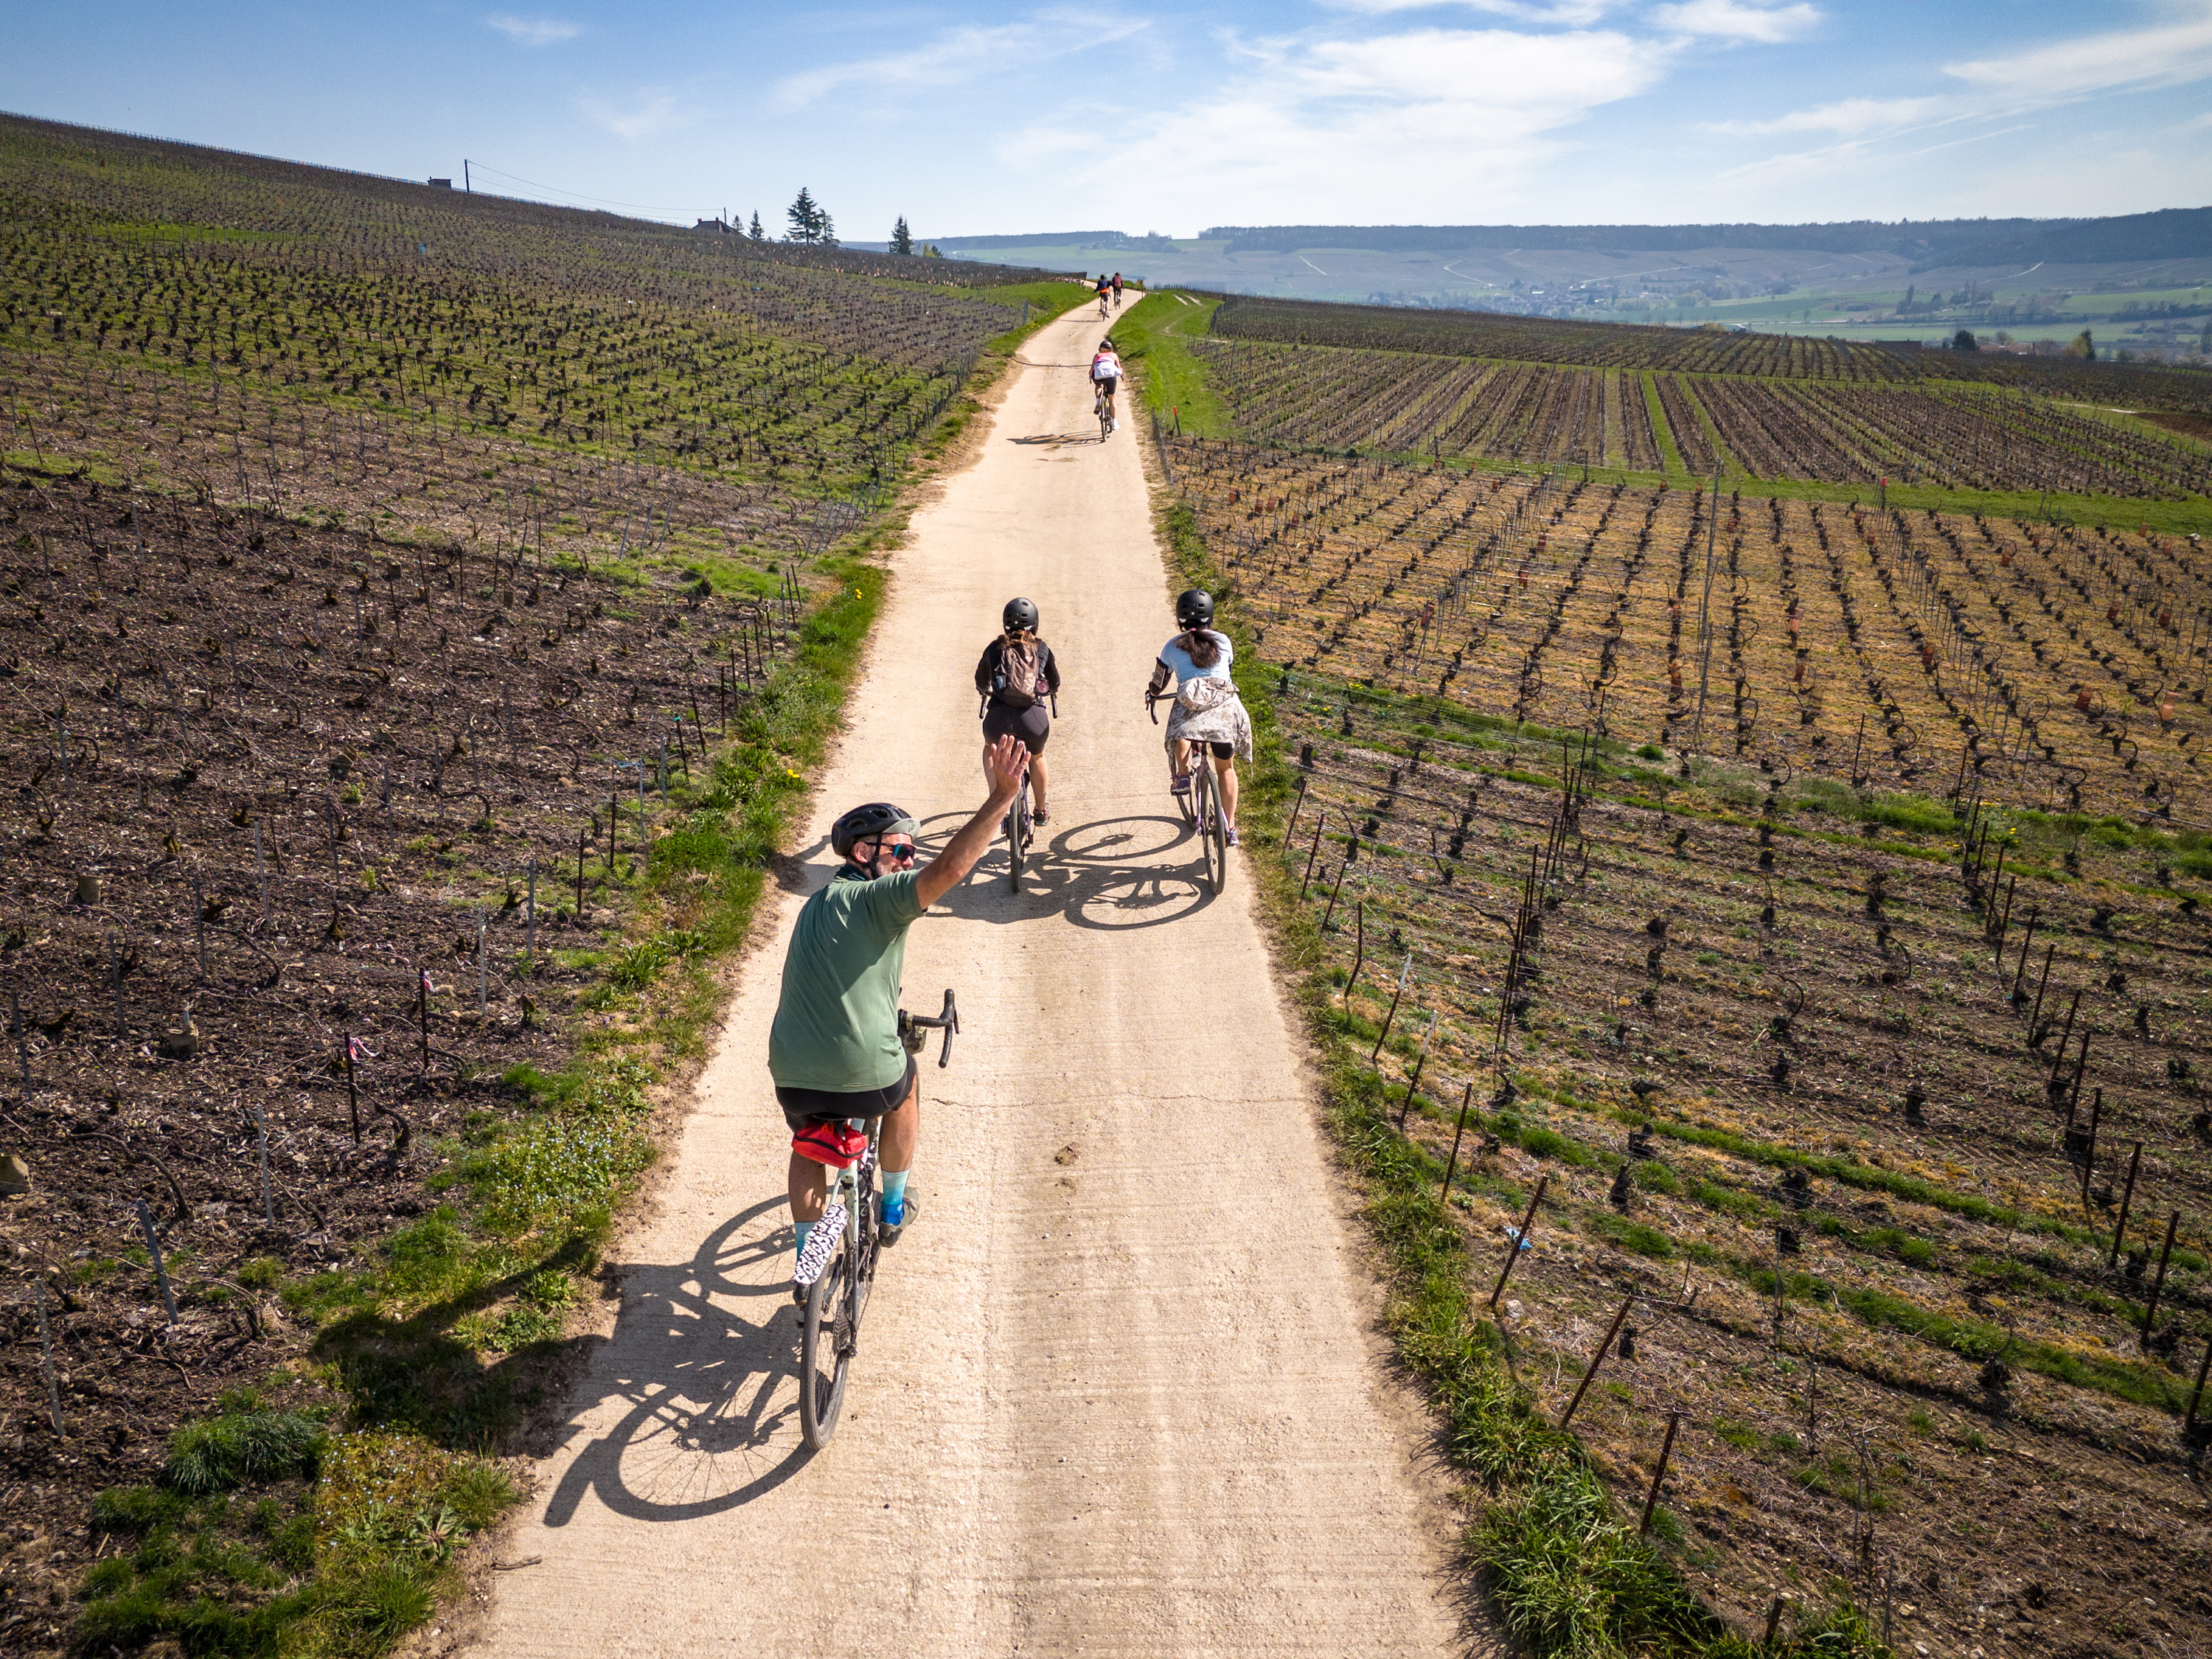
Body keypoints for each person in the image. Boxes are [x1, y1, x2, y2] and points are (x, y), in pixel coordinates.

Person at [768, 740, 1029, 1301]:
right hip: (865, 1074)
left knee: (809, 1142)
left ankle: (807, 1264)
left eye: (912, 852)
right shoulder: (878, 900)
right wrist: (1001, 799)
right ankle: (891, 1208)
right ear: (863, 852)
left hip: (790, 1070)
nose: (909, 859)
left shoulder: (819, 903)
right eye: (900, 850)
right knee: (906, 1086)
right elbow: (953, 867)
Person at [1146, 588, 1251, 846]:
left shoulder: (1172, 646)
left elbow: (1160, 680)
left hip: (1192, 700)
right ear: (1210, 617)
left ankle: (1182, 775)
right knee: (1226, 768)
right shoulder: (1224, 641)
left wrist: (1152, 693)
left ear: (1180, 618)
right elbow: (1227, 670)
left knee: (1182, 728)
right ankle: (1230, 824)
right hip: (1224, 707)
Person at [975, 597, 1061, 824]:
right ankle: (1041, 811)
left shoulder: (994, 649)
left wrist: (984, 689)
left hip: (998, 721)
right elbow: (1054, 682)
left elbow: (981, 680)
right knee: (1037, 756)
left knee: (990, 750)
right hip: (1032, 720)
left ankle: (997, 804)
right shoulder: (1042, 649)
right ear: (1035, 623)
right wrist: (1048, 689)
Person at [1091, 338, 1122, 432]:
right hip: (1110, 377)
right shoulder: (1114, 355)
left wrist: (1091, 376)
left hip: (1098, 376)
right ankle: (1114, 422)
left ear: (1100, 349)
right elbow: (1119, 369)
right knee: (1111, 398)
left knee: (1098, 386)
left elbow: (1092, 369)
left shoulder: (1097, 355)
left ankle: (1098, 402)